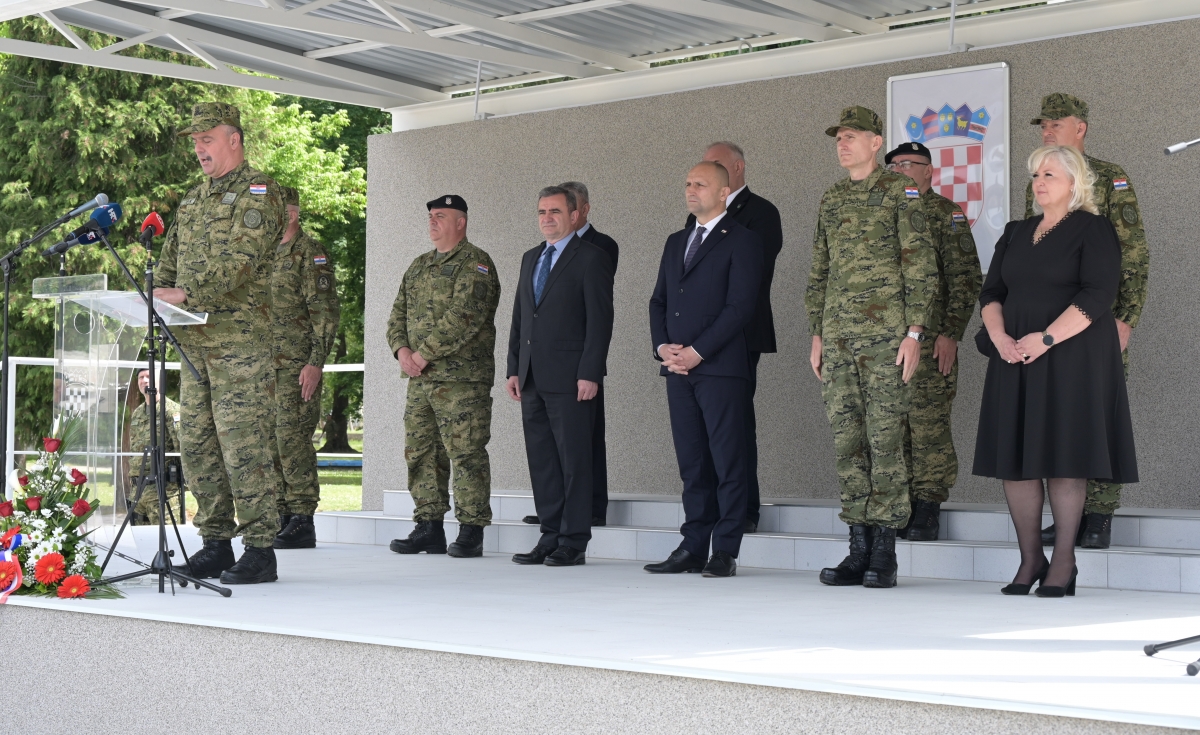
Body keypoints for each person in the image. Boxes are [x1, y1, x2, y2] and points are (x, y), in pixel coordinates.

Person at [975, 144, 1137, 597]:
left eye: (1049, 174)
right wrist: (1004, 340)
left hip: (1070, 357)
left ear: (1074, 182)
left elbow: (1098, 294)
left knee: (1066, 458)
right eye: (1035, 175)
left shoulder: (1093, 228)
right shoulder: (1015, 231)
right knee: (1018, 462)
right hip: (1016, 356)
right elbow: (991, 293)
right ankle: (1030, 560)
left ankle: (1063, 563)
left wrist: (1045, 339)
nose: (1039, 182)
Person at [153, 102, 287, 585]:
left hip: (240, 343)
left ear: (234, 138)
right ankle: (215, 543)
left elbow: (242, 261)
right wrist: (157, 293)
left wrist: (186, 292)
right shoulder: (192, 200)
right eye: (194, 140)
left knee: (243, 443)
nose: (198, 148)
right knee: (198, 444)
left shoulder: (261, 192)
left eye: (206, 139)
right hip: (193, 343)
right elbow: (170, 261)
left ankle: (260, 549)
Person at [806, 106, 938, 589]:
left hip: (887, 340)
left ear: (876, 142)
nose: (842, 144)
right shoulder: (833, 197)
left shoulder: (898, 191)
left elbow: (920, 263)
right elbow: (820, 267)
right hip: (838, 339)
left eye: (851, 136)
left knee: (885, 442)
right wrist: (817, 333)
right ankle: (856, 549)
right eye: (838, 137)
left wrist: (915, 333)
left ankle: (884, 551)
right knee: (848, 443)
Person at [1024, 93, 1149, 550]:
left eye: (1057, 123)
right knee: (1062, 416)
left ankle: (1099, 514)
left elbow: (1132, 255)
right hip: (1051, 328)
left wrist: (1126, 318)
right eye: (1043, 124)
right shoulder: (1039, 180)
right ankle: (1067, 517)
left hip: (1097, 321)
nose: (1048, 130)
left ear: (1082, 128)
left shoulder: (1109, 177)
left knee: (1099, 412)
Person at [643, 161, 763, 578]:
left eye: (700, 183)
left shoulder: (743, 240)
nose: (691, 189)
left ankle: (725, 550)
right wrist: (663, 348)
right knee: (692, 463)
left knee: (728, 461)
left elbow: (740, 307)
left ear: (725, 191)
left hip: (720, 369)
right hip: (677, 370)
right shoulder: (677, 240)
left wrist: (698, 351)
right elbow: (658, 300)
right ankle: (693, 545)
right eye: (687, 182)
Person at [505, 186, 614, 567]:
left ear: (573, 216)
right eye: (541, 212)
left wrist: (590, 372)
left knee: (574, 461)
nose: (547, 218)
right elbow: (521, 317)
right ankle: (549, 536)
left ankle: (573, 541)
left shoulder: (591, 259)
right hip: (532, 377)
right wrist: (514, 369)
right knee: (543, 463)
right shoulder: (530, 257)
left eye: (555, 211)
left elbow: (600, 323)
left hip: (572, 379)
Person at [387, 195, 502, 558]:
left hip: (461, 381)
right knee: (421, 453)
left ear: (461, 222)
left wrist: (422, 354)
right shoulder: (418, 266)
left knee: (466, 452)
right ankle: (428, 527)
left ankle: (471, 529)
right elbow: (396, 316)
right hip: (420, 380)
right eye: (431, 216)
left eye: (441, 216)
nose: (433, 222)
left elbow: (464, 316)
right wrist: (402, 352)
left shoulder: (476, 264)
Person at [884, 142, 982, 542]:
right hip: (887, 341)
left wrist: (950, 333)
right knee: (892, 423)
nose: (899, 169)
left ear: (929, 171)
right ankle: (899, 503)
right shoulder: (883, 210)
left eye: (909, 164)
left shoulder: (944, 214)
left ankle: (927, 506)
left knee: (927, 424)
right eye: (893, 164)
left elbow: (965, 277)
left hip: (930, 339)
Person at [685, 142, 783, 535]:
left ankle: (742, 511)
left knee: (734, 427)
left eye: (715, 165)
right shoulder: (699, 214)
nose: (706, 171)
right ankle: (710, 511)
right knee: (700, 432)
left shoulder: (760, 213)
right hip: (697, 340)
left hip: (738, 336)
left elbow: (749, 278)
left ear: (736, 170)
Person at [270, 186, 340, 550]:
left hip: (296, 365)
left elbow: (325, 314)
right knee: (270, 442)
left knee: (292, 439)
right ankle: (281, 514)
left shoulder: (311, 254)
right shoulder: (266, 252)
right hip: (265, 367)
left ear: (292, 214)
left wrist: (315, 362)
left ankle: (302, 519)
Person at [127, 369, 184, 526]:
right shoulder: (138, 413)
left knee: (167, 542)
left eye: (149, 377)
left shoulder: (171, 410)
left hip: (163, 490)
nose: (144, 380)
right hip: (138, 490)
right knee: (140, 543)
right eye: (141, 377)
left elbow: (181, 449)